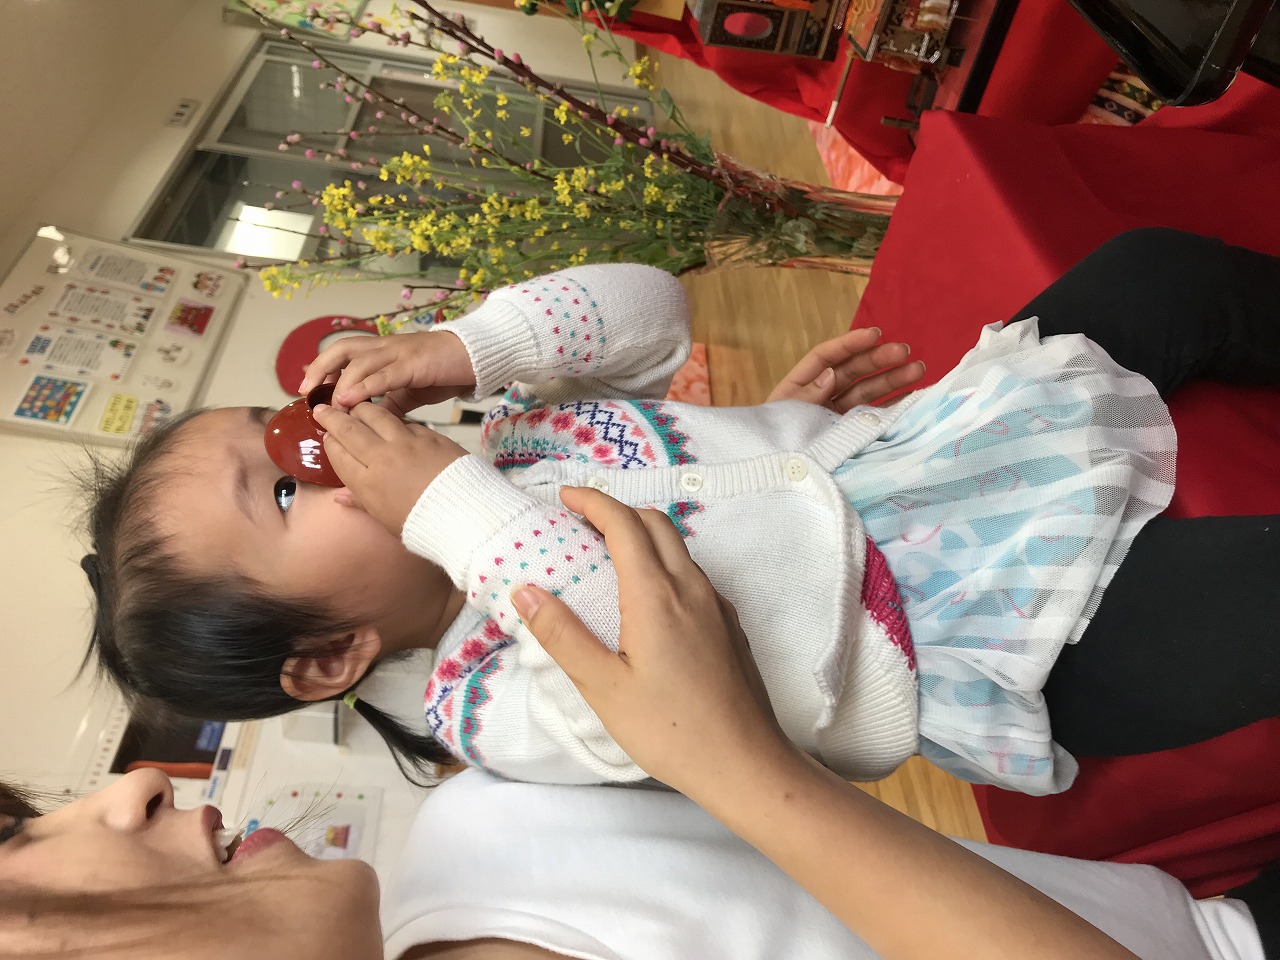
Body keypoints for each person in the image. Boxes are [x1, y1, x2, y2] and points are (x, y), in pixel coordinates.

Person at [79, 229, 1279, 797]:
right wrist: (452, 508)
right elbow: (678, 657)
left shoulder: (509, 445)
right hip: (966, 640)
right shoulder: (491, 704)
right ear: (331, 654)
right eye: (283, 490)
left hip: (922, 460)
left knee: (1154, 274)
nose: (322, 449)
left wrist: (469, 347)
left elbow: (653, 312)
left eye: (276, 422)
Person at [2, 491, 1269, 959]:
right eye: (283, 492)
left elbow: (723, 665)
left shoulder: (483, 809)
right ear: (328, 658)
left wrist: (747, 482)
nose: (126, 789)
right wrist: (734, 761)